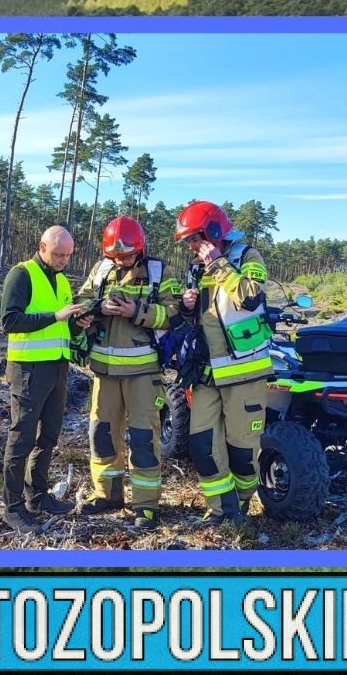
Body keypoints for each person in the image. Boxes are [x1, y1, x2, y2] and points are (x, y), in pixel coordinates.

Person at [74, 215, 181, 524]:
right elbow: (80, 299)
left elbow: (175, 315)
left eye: (126, 255)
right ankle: (108, 496)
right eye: (115, 255)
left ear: (141, 248)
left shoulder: (160, 272)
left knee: (144, 438)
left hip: (143, 373)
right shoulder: (102, 269)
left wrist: (138, 312)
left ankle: (146, 505)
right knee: (102, 435)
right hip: (104, 372)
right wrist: (96, 307)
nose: (121, 260)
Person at [173, 200, 273, 526]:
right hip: (206, 372)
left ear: (214, 232)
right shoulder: (196, 267)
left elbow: (250, 297)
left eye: (194, 238)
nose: (191, 246)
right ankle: (221, 511)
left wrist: (218, 264)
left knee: (243, 455)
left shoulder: (247, 257)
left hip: (244, 371)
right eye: (188, 241)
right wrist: (186, 304)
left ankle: (242, 504)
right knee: (202, 445)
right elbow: (202, 317)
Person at [0, 225, 93, 534]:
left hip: (57, 369)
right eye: (59, 254)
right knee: (21, 437)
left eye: (68, 255)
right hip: (28, 370)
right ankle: (12, 508)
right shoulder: (21, 274)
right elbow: (10, 321)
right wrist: (56, 316)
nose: (64, 260)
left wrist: (79, 324)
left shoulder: (63, 280)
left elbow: (64, 328)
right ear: (41, 246)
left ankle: (38, 496)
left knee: (49, 435)